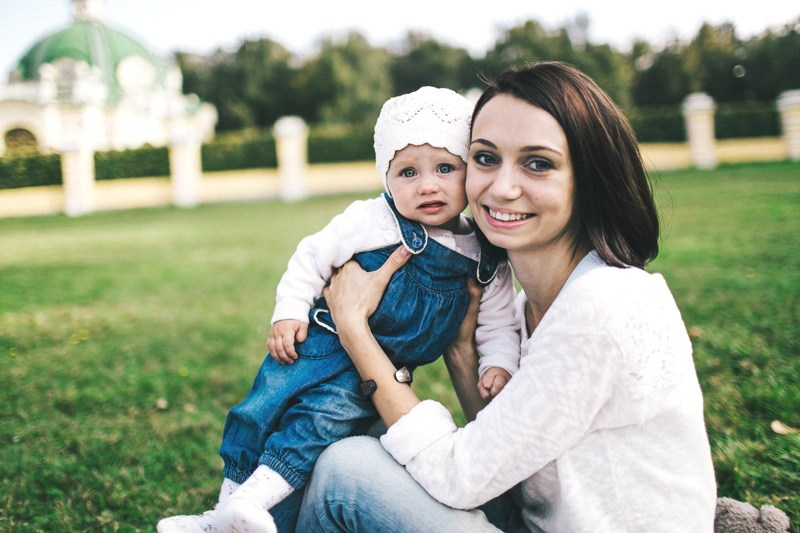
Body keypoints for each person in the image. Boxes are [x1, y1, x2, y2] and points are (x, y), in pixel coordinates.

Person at [295, 61, 718, 532]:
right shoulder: (529, 306)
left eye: (538, 163)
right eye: (485, 158)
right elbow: (505, 463)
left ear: (589, 179)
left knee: (347, 471)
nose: (501, 187)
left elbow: (462, 478)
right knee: (369, 435)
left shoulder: (604, 306)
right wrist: (462, 351)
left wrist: (353, 328)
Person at [157, 86, 520, 532]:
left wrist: (499, 362)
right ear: (385, 178)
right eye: (407, 172)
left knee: (318, 425)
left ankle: (247, 507)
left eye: (445, 168)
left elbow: (498, 320)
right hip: (323, 343)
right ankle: (223, 514)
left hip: (377, 367)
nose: (427, 184)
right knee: (256, 415)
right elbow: (312, 255)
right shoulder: (375, 220)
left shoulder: (484, 255)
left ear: (468, 170)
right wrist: (288, 310)